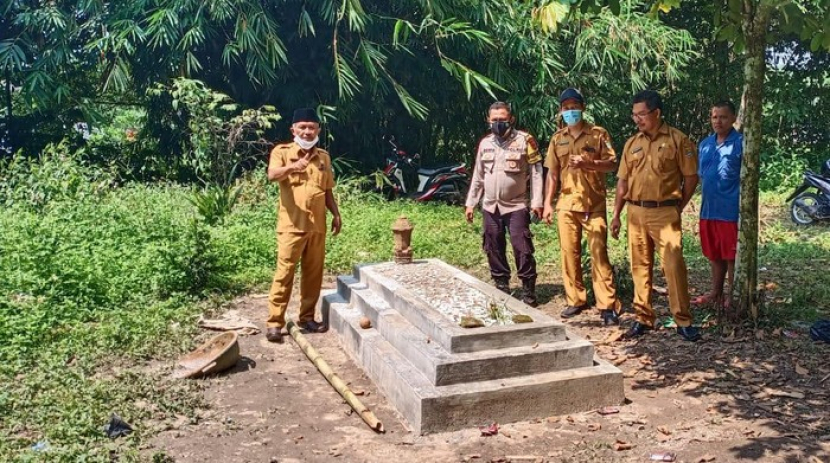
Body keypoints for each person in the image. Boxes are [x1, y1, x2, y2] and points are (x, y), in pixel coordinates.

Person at [610, 90, 701, 342]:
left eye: (642, 114)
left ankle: (683, 320)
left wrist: (678, 206)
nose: (637, 119)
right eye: (634, 115)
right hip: (635, 212)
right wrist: (616, 215)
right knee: (639, 266)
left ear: (657, 113)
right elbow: (622, 181)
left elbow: (691, 176)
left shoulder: (677, 140)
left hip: (665, 212)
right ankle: (643, 318)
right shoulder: (632, 143)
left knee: (673, 266)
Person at [543, 88, 622, 325]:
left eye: (574, 107)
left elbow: (612, 165)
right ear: (560, 111)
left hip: (593, 203)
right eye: (566, 108)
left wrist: (590, 163)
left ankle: (607, 305)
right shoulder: (557, 139)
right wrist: (547, 203)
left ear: (583, 108)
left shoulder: (598, 134)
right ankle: (575, 300)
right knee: (569, 253)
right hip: (566, 204)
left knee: (599, 253)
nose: (570, 111)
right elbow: (552, 174)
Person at [265, 108, 342, 343]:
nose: (307, 132)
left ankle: (307, 318)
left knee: (313, 274)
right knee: (284, 273)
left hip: (317, 226)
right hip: (291, 226)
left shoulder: (324, 157)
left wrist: (336, 215)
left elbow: (327, 190)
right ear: (294, 130)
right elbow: (271, 175)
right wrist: (292, 167)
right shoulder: (282, 152)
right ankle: (275, 323)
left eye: (312, 127)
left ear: (318, 130)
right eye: (303, 127)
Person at [465, 101, 544, 306]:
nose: (498, 123)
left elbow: (536, 173)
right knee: (493, 245)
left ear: (511, 119)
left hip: (516, 205)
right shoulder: (485, 143)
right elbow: (478, 175)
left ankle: (528, 290)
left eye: (503, 119)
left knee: (522, 247)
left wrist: (537, 202)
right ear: (488, 121)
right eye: (495, 120)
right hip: (491, 205)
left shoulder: (525, 140)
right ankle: (501, 285)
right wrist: (471, 202)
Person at [694, 101, 742, 310]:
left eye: (723, 117)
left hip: (730, 211)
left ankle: (732, 295)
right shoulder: (705, 144)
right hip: (708, 209)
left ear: (733, 119)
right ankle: (716, 292)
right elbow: (701, 176)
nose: (718, 121)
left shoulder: (741, 143)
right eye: (714, 117)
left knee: (731, 256)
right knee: (713, 254)